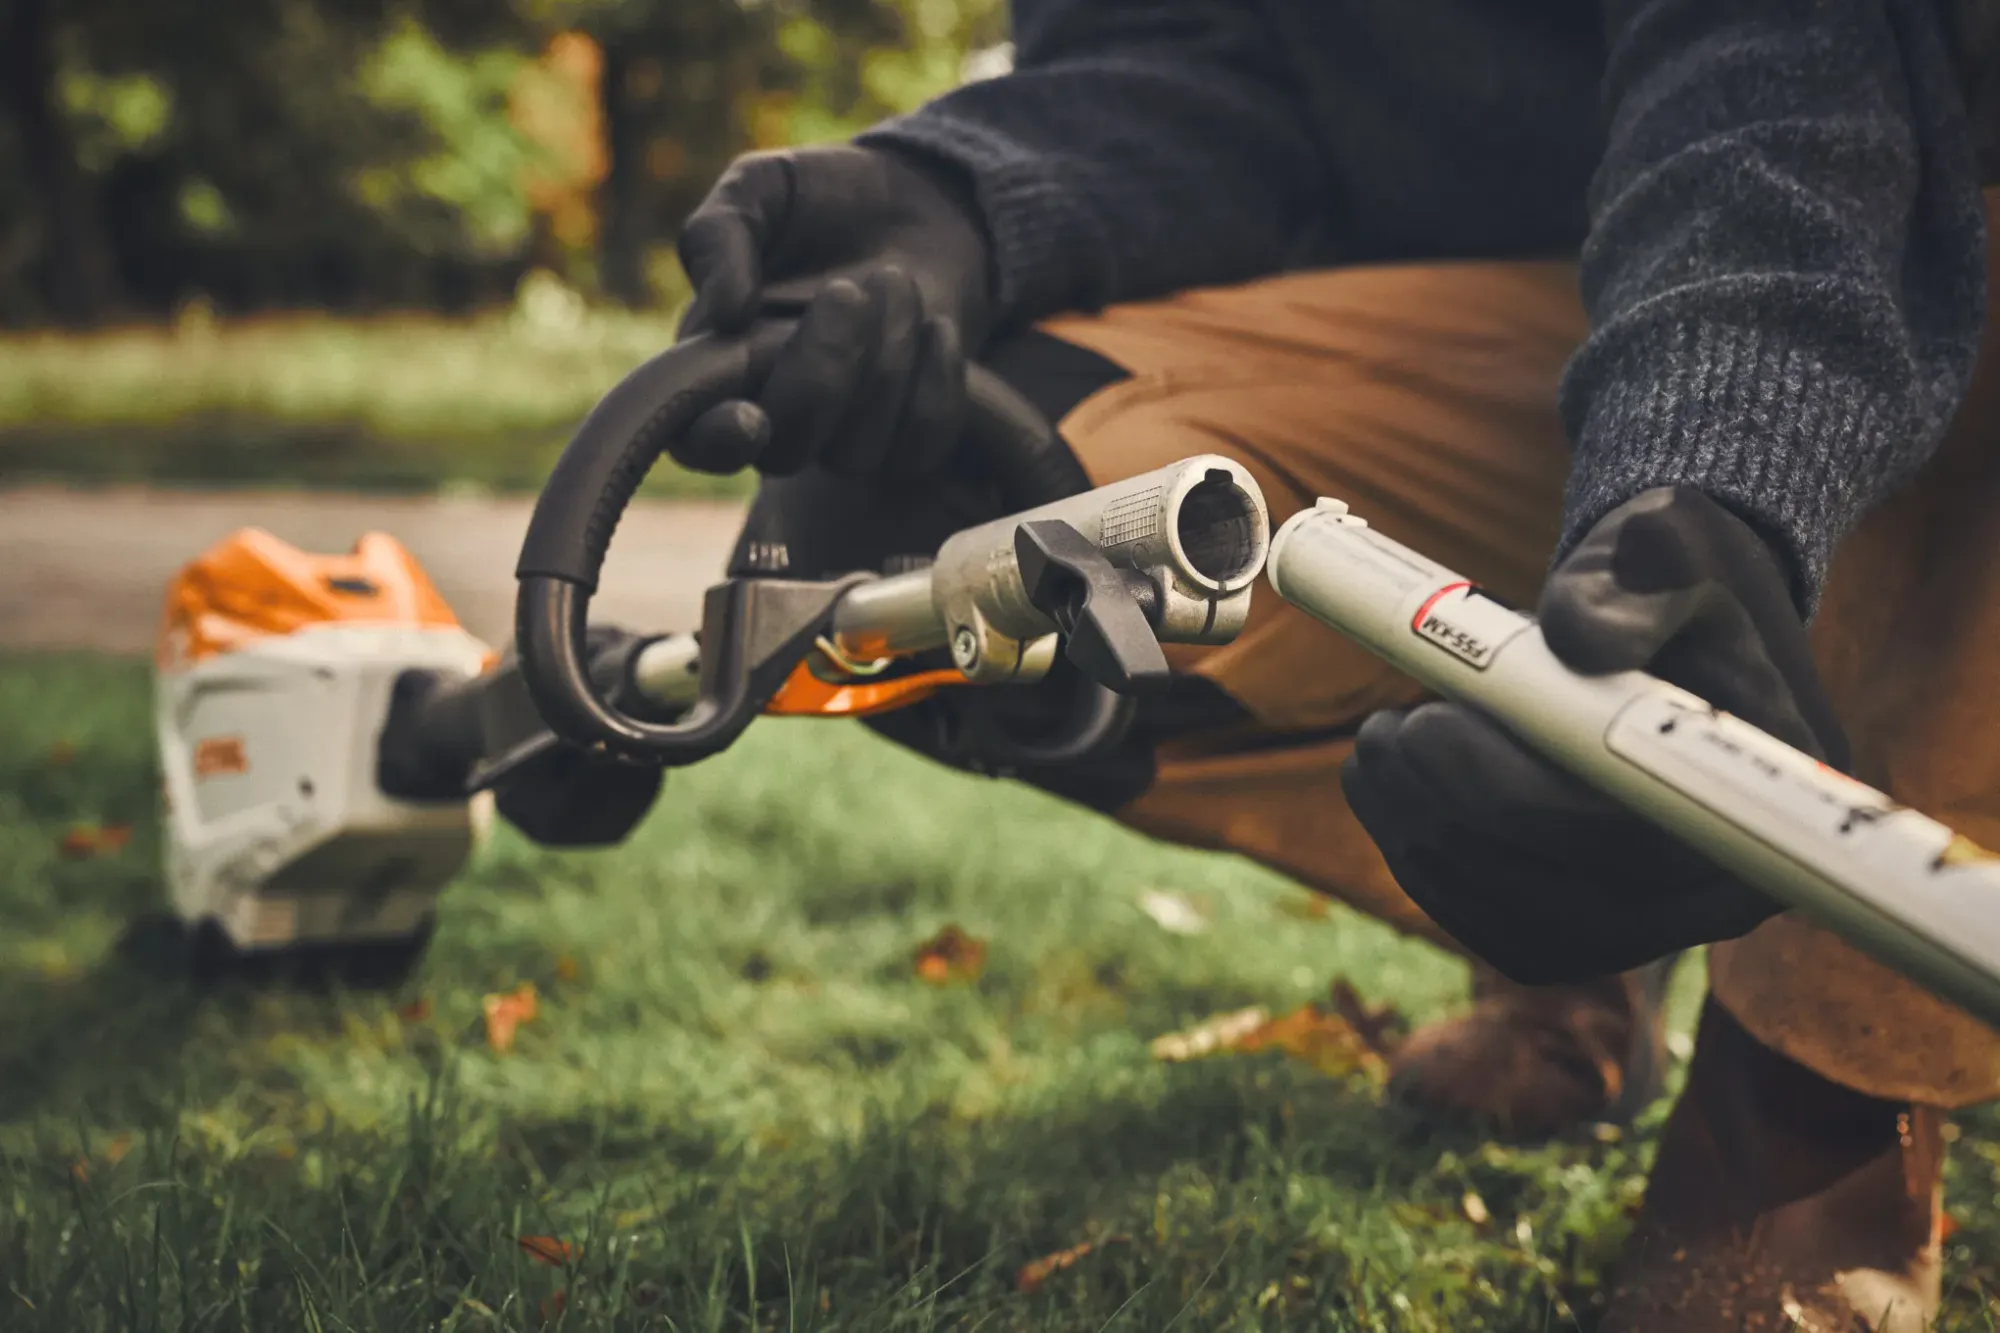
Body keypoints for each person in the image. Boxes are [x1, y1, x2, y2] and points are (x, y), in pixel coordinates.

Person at [666, 2, 2000, 1327]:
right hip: (1503, 311)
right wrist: (963, 196)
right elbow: (1214, 76)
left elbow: (1783, 57)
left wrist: (1717, 466)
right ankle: (1561, 935)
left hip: (1856, 234)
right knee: (925, 520)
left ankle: (1817, 1110)